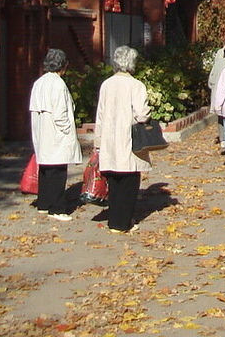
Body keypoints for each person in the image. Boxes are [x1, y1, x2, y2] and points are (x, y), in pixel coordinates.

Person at [94, 45, 150, 233]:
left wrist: (98, 142)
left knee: (114, 181)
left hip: (109, 138)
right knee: (129, 182)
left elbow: (100, 114)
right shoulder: (136, 85)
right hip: (129, 138)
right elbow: (141, 115)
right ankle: (123, 222)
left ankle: (114, 218)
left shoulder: (106, 84)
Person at [28, 48, 82, 221]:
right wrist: (67, 130)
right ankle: (57, 208)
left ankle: (43, 203)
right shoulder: (58, 84)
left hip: (42, 132)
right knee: (58, 171)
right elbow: (61, 114)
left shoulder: (39, 82)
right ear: (63, 66)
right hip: (57, 134)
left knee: (45, 169)